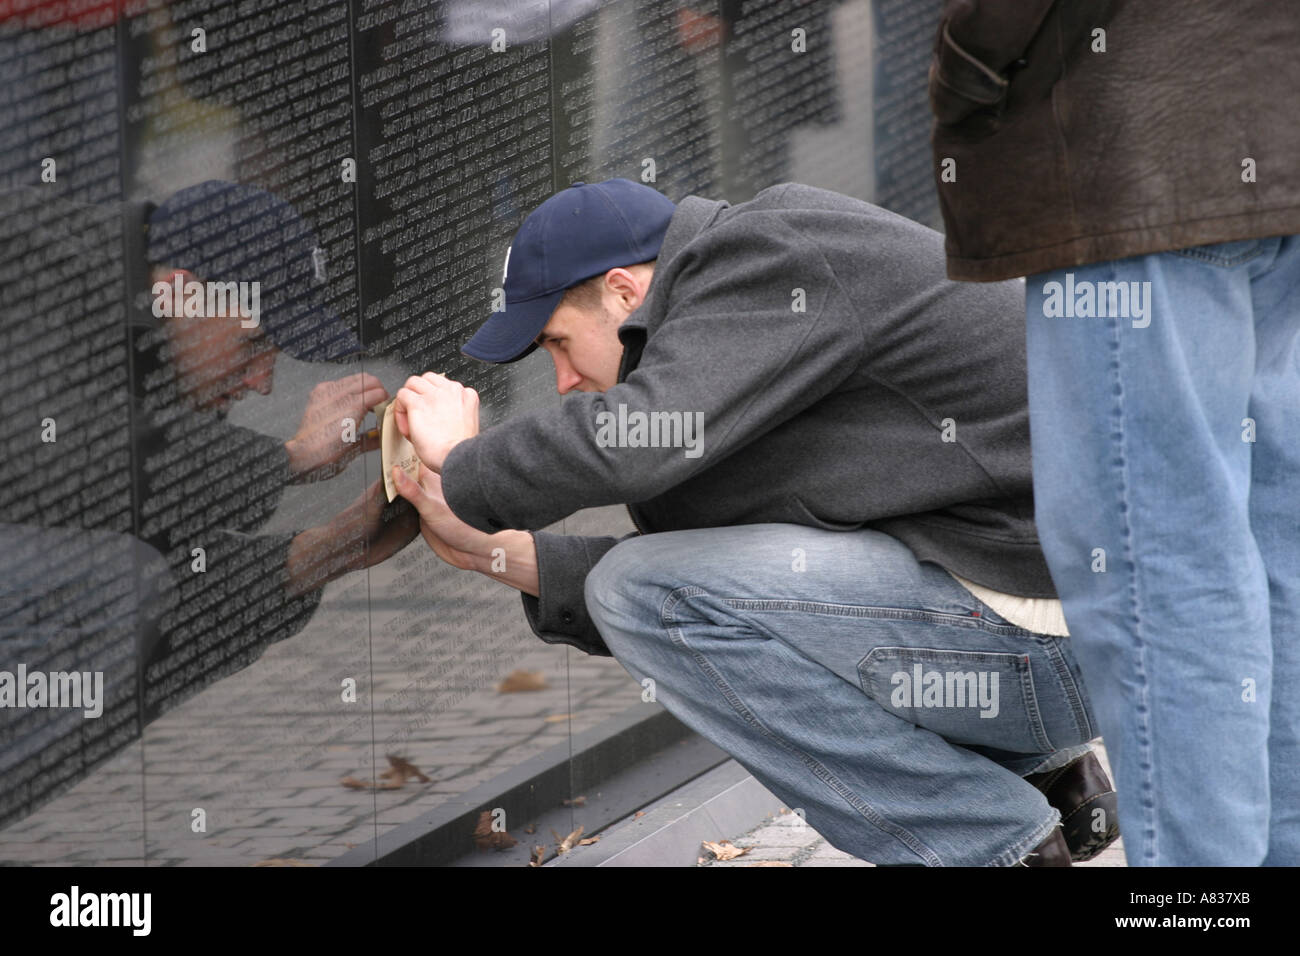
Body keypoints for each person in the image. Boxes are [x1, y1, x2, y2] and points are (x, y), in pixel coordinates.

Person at [389, 177, 1118, 866]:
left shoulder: (767, 255)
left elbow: (643, 454)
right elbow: (729, 573)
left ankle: (989, 843)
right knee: (646, 586)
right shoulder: (744, 313)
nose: (564, 380)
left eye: (556, 342)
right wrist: (506, 554)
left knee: (637, 591)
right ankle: (1047, 777)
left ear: (623, 291)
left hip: (1066, 647)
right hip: (1073, 641)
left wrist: (465, 461)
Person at [927, 0, 1300, 866]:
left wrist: (967, 62)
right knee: (1269, 541)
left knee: (1157, 566)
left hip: (1138, 150)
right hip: (1270, 124)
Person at [0, 182, 417, 826]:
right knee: (119, 588)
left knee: (131, 592)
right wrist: (287, 459)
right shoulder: (33, 263)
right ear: (180, 290)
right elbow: (50, 461)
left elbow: (150, 559)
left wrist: (326, 550)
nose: (264, 380)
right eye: (254, 343)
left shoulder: (132, 316)